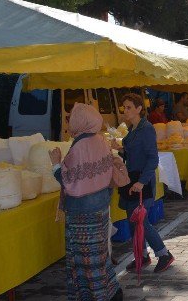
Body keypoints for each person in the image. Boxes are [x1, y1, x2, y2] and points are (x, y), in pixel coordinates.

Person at [49, 103, 122, 301]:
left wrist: (55, 163)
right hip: (101, 208)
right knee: (100, 257)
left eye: (72, 117)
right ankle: (112, 291)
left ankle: (98, 296)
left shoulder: (80, 147)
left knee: (86, 261)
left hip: (83, 215)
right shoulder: (100, 141)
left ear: (80, 121)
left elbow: (67, 181)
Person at [113, 93, 175, 274]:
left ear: (139, 109)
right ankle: (142, 256)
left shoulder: (146, 128)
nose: (126, 110)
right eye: (124, 107)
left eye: (129, 107)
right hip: (130, 179)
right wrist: (122, 150)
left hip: (141, 180)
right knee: (133, 222)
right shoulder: (133, 129)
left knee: (141, 221)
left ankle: (164, 254)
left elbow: (152, 158)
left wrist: (141, 182)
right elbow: (133, 154)